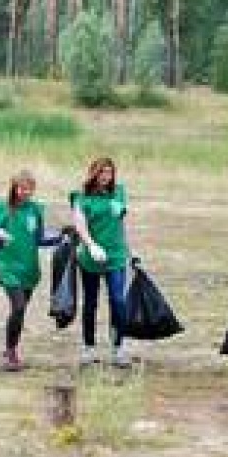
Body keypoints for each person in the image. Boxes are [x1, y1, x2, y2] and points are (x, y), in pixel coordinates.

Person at [0, 170, 61, 372]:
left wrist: (61, 238)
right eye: (22, 188)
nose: (26, 192)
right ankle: (11, 352)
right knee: (18, 307)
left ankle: (12, 347)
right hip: (7, 267)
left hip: (29, 268)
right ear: (14, 188)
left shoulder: (36, 210)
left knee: (19, 311)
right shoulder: (0, 209)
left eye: (29, 189)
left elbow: (39, 239)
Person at [70, 157, 134, 369]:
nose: (106, 177)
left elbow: (121, 220)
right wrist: (90, 245)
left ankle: (118, 347)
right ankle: (89, 347)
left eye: (109, 173)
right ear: (93, 174)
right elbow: (80, 225)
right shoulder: (81, 197)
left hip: (116, 256)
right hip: (91, 258)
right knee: (90, 302)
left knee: (118, 300)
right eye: (102, 173)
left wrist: (130, 250)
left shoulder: (119, 191)